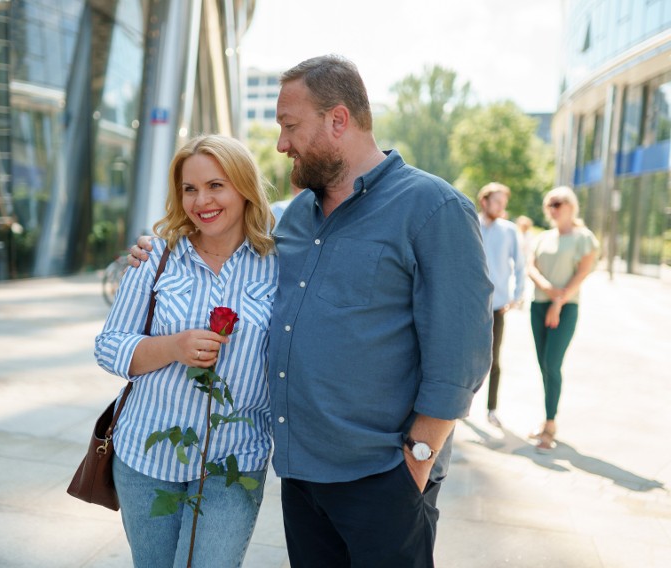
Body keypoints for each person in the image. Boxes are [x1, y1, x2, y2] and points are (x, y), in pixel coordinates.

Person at [130, 54, 493, 567]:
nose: (281, 144)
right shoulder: (294, 217)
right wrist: (159, 249)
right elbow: (222, 241)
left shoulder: (434, 209)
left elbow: (461, 355)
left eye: (289, 126)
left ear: (337, 121)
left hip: (384, 478)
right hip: (301, 479)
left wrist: (416, 461)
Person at [95, 135, 278, 567]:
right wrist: (173, 347)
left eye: (217, 185)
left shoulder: (279, 263)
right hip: (146, 456)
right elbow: (109, 346)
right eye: (189, 188)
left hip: (235, 461)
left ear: (244, 187)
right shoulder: (156, 256)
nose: (202, 200)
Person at [527, 186, 598, 453]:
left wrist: (558, 301)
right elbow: (531, 266)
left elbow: (582, 272)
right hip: (538, 305)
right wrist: (546, 288)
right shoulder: (543, 237)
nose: (554, 209)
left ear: (571, 206)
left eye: (559, 203)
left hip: (565, 308)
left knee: (552, 363)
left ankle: (550, 425)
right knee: (543, 365)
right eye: (550, 204)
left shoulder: (583, 237)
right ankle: (547, 417)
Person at [476, 183, 525, 428]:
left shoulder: (509, 231)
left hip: (497, 306)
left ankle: (491, 408)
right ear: (484, 201)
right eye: (496, 201)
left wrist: (517, 294)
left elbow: (520, 264)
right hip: (471, 306)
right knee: (462, 358)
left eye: (503, 202)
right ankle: (458, 408)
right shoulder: (470, 223)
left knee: (494, 360)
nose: (501, 207)